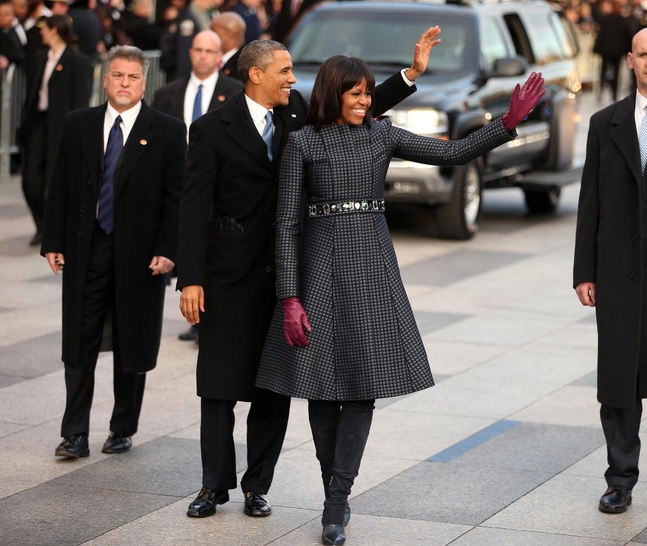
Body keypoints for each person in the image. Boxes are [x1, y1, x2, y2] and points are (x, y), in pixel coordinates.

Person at [256, 55, 543, 546]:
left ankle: (336, 501)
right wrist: (289, 297)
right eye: (356, 94)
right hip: (319, 272)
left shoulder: (383, 135)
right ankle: (335, 493)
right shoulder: (302, 143)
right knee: (323, 393)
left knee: (362, 389)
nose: (366, 101)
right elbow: (285, 224)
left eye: (369, 93)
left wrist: (507, 123)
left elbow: (450, 154)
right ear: (333, 94)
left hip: (371, 269)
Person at [176, 32, 439, 519]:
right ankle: (214, 486)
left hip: (292, 270)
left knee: (274, 386)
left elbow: (352, 104)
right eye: (284, 71)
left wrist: (410, 75)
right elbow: (192, 208)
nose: (293, 79)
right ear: (255, 74)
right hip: (230, 274)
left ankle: (258, 487)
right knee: (217, 385)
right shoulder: (211, 129)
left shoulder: (297, 113)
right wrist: (191, 277)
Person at [41, 45, 186, 458]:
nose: (125, 84)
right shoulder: (78, 124)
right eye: (118, 76)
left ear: (145, 82)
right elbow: (62, 186)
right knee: (80, 342)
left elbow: (177, 198)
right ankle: (74, 433)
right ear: (105, 80)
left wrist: (168, 249)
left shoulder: (169, 131)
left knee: (131, 340)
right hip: (88, 250)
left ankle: (122, 427)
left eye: (133, 77)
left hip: (141, 257)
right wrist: (53, 239)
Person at [574, 26, 647, 514]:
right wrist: (585, 270)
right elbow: (590, 202)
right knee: (621, 379)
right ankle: (620, 480)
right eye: (644, 55)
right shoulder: (606, 123)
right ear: (629, 60)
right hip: (620, 271)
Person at [152, 29, 242, 343]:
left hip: (220, 188)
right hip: (179, 184)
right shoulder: (167, 94)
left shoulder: (235, 92)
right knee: (185, 245)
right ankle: (196, 316)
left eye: (209, 51)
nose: (203, 55)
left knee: (210, 250)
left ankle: (207, 319)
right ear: (190, 53)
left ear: (220, 57)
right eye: (197, 49)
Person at [17, 15, 92, 247]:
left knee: (56, 181)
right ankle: (41, 224)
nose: (41, 32)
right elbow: (31, 94)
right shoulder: (40, 58)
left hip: (62, 127)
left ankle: (55, 230)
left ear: (55, 30)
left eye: (44, 28)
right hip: (38, 123)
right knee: (30, 179)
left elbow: (81, 98)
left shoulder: (77, 61)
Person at [210, 11, 244, 81]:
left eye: (213, 31)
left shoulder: (242, 67)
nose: (210, 35)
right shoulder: (215, 60)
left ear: (228, 36)